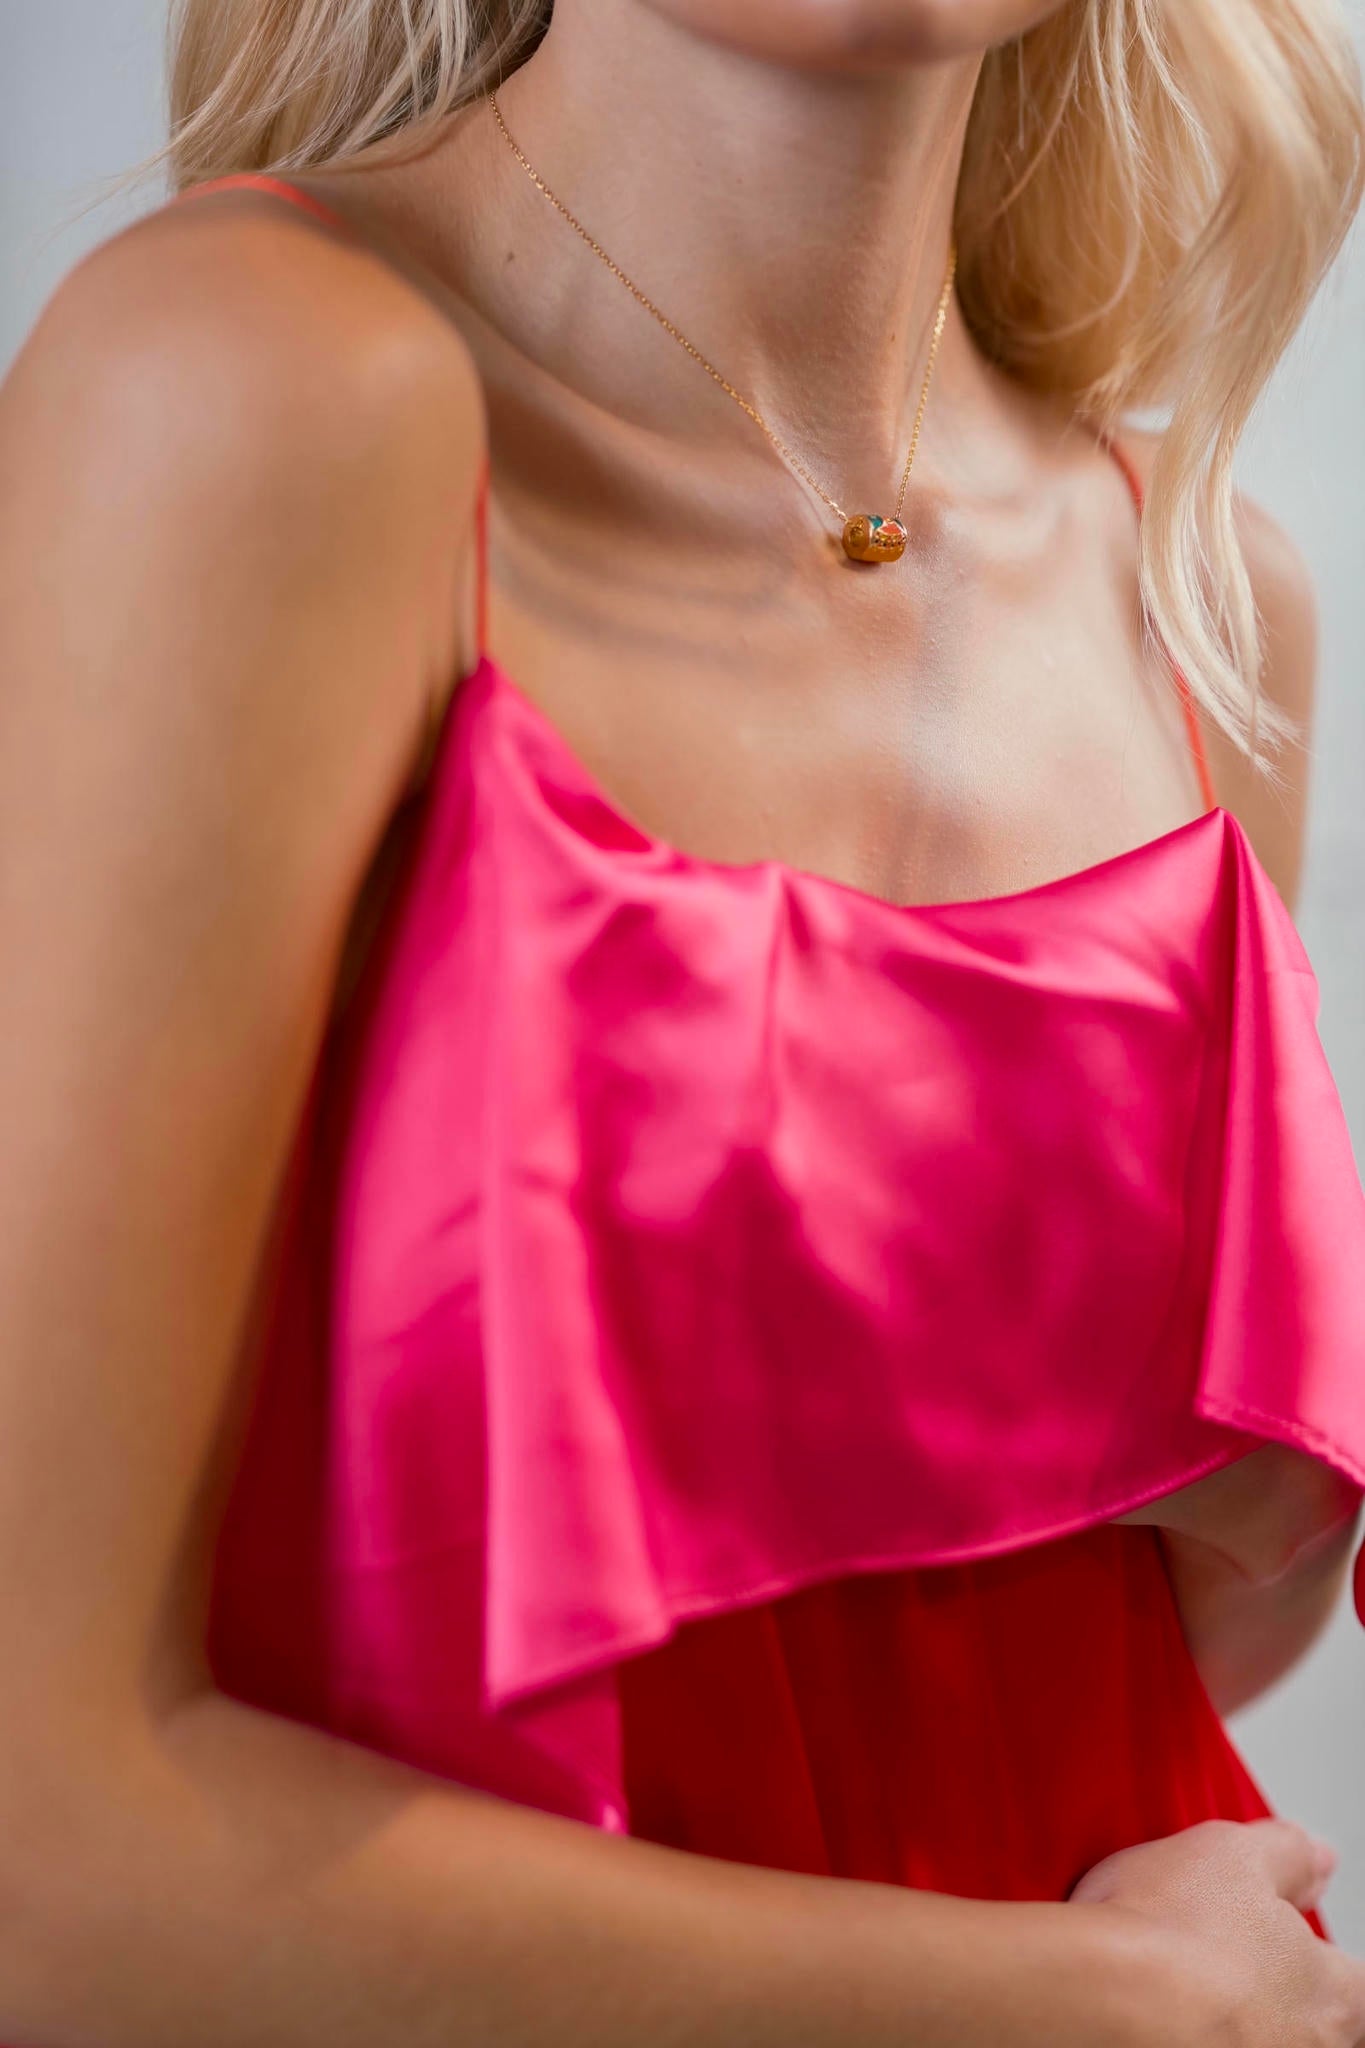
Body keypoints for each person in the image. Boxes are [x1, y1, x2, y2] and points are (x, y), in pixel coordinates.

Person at [3, 0, 1365, 2040]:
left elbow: (1062, 1665)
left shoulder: (1195, 605)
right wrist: (1084, 2008)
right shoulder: (253, 387)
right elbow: (43, 1862)